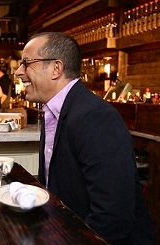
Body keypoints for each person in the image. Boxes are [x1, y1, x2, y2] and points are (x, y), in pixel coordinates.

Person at [14, 32, 154, 244]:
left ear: (56, 68)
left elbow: (112, 216)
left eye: (26, 63)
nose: (19, 71)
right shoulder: (53, 110)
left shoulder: (95, 116)